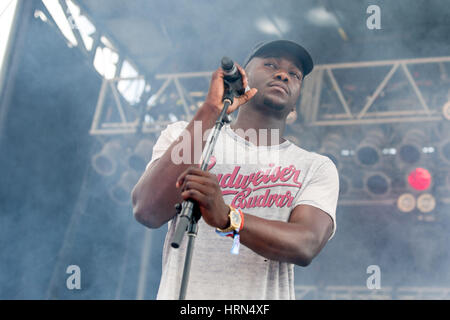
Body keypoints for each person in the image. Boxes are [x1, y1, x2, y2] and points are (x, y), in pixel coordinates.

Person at [131, 40, 339, 300]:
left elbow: (306, 243)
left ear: (296, 103)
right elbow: (147, 211)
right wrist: (210, 110)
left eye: (294, 74)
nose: (283, 74)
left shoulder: (316, 167)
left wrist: (228, 218)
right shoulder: (187, 135)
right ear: (243, 80)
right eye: (270, 64)